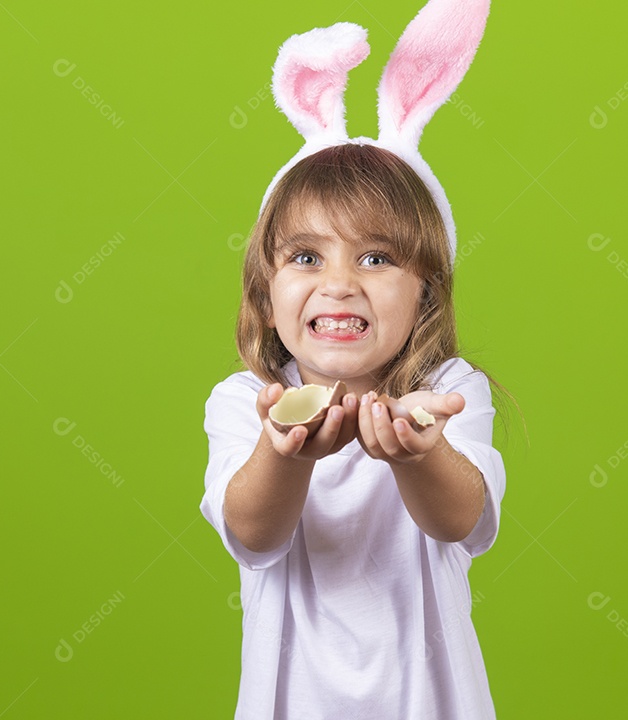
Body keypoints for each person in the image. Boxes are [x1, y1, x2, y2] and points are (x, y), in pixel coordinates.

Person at [201, 2, 507, 717]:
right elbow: (252, 532)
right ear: (267, 288)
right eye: (306, 256)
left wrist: (415, 454)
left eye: (376, 257)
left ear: (425, 288)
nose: (339, 282)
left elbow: (460, 519)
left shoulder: (447, 393)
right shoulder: (246, 400)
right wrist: (289, 453)